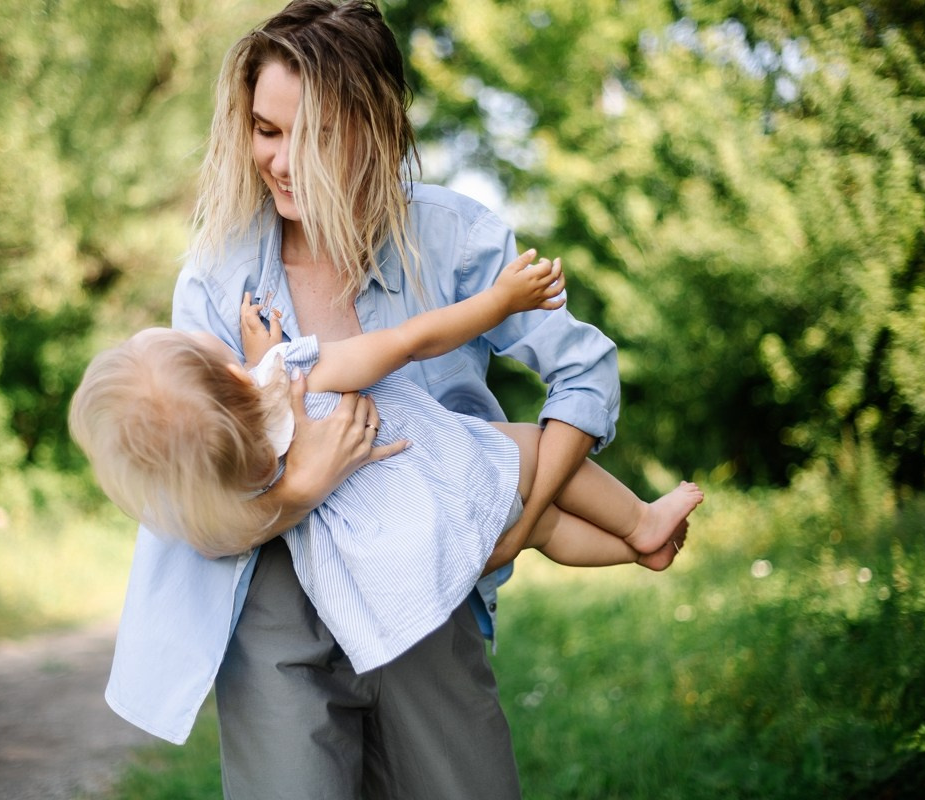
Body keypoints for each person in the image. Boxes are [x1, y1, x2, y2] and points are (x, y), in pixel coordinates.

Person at [101, 1, 657, 797]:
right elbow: (195, 511)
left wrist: (519, 531)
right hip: (274, 601)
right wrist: (302, 485)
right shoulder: (218, 281)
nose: (283, 161)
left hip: (427, 597)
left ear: (380, 127)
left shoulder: (456, 240)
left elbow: (586, 374)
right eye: (265, 130)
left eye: (315, 135)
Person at [70, 250, 701, 671]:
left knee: (539, 528)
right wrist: (501, 301)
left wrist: (255, 362)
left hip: (400, 555)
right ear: (228, 370)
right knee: (539, 452)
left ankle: (634, 552)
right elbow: (408, 342)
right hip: (439, 478)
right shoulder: (301, 373)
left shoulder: (230, 478)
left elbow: (248, 418)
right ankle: (640, 522)